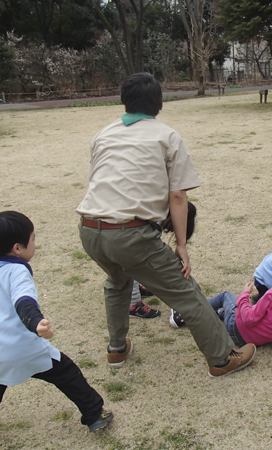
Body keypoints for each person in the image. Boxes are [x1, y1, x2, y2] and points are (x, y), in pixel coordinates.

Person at [76, 72, 255, 378]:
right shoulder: (167, 136)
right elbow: (177, 195)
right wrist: (181, 246)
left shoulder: (102, 134)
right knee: (186, 292)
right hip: (130, 234)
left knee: (117, 282)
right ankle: (223, 358)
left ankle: (117, 349)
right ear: (159, 103)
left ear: (124, 102)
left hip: (90, 231)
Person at [0, 212, 112, 450]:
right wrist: (35, 323)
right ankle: (94, 414)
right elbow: (24, 301)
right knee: (67, 373)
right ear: (18, 248)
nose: (35, 244)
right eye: (33, 238)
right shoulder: (18, 271)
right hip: (23, 349)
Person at [129, 202, 197, 319]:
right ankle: (133, 304)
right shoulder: (151, 221)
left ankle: (134, 289)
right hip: (120, 238)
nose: (169, 231)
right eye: (173, 228)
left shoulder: (157, 212)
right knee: (131, 261)